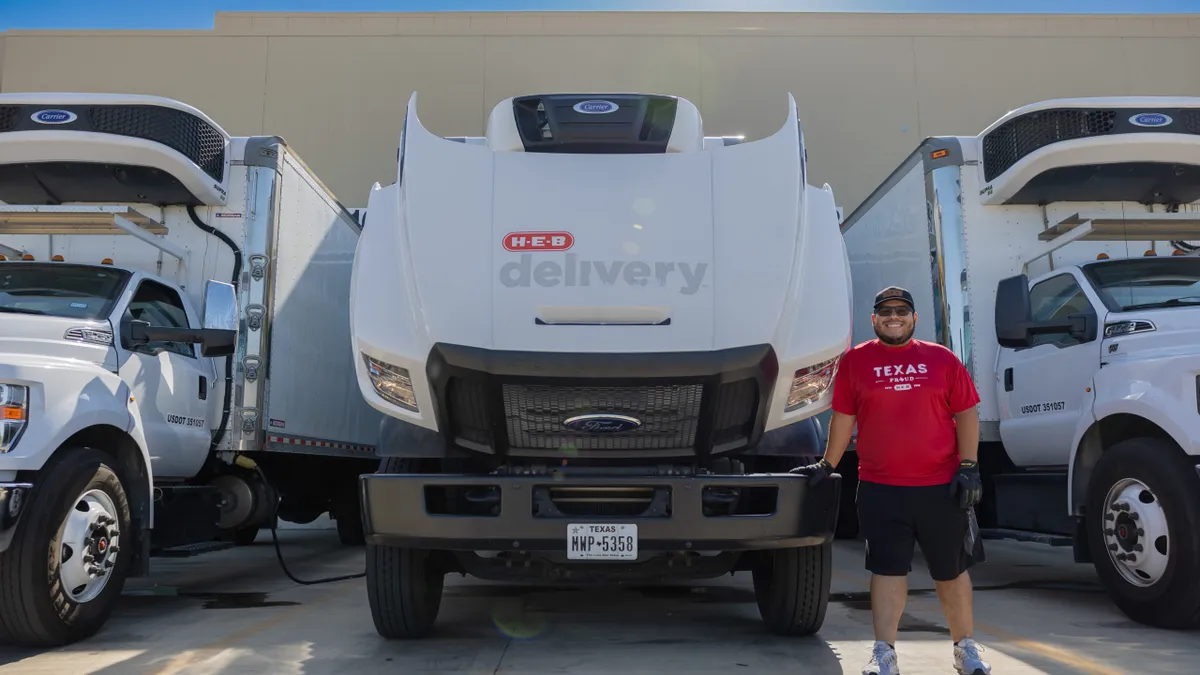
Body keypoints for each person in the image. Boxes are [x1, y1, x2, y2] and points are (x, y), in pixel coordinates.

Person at [794, 286, 991, 675]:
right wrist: (827, 463)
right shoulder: (856, 362)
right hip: (881, 489)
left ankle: (964, 649)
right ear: (874, 320)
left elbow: (967, 412)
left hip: (941, 488)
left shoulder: (942, 359)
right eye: (885, 311)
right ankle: (884, 654)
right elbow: (844, 418)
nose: (894, 316)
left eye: (902, 310)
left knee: (950, 572)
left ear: (914, 318)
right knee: (886, 571)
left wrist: (969, 466)